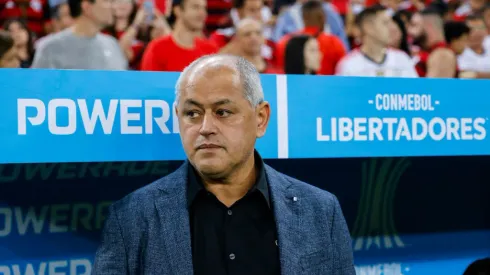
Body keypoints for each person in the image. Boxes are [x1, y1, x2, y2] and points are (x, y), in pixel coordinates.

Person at [93, 54, 355, 275]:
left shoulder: (321, 211)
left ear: (261, 119)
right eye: (192, 114)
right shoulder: (130, 217)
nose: (205, 128)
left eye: (223, 112)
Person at [31, 0, 128, 70]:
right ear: (87, 6)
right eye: (107, 1)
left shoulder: (112, 44)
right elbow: (37, 91)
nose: (113, 6)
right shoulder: (51, 47)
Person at [335, 5, 418, 77]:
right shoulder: (349, 66)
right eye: (385, 23)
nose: (392, 28)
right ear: (368, 27)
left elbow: (415, 92)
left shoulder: (402, 59)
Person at [140, 0, 217, 71]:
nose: (203, 13)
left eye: (204, 8)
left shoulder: (210, 51)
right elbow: (149, 84)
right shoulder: (157, 49)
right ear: (178, 10)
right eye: (195, 7)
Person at [275, 0, 346, 75]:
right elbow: (342, 70)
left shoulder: (286, 41)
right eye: (313, 50)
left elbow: (280, 70)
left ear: (303, 18)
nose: (319, 56)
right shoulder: (334, 43)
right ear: (323, 18)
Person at [413, 8, 457, 77]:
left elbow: (434, 87)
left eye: (414, 25)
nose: (410, 31)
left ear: (429, 26)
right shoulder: (430, 52)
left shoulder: (442, 55)